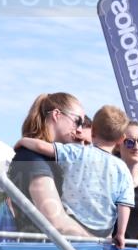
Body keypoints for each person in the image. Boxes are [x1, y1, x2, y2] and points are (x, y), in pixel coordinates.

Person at [14, 104, 134, 248]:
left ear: (93, 131)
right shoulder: (123, 169)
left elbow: (42, 147)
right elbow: (124, 204)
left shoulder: (77, 152)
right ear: (121, 139)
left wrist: (23, 141)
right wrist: (120, 233)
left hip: (73, 222)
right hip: (103, 230)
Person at [7, 93, 92, 236]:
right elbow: (57, 223)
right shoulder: (32, 158)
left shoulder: (46, 158)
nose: (79, 130)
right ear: (57, 115)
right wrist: (100, 241)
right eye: (77, 121)